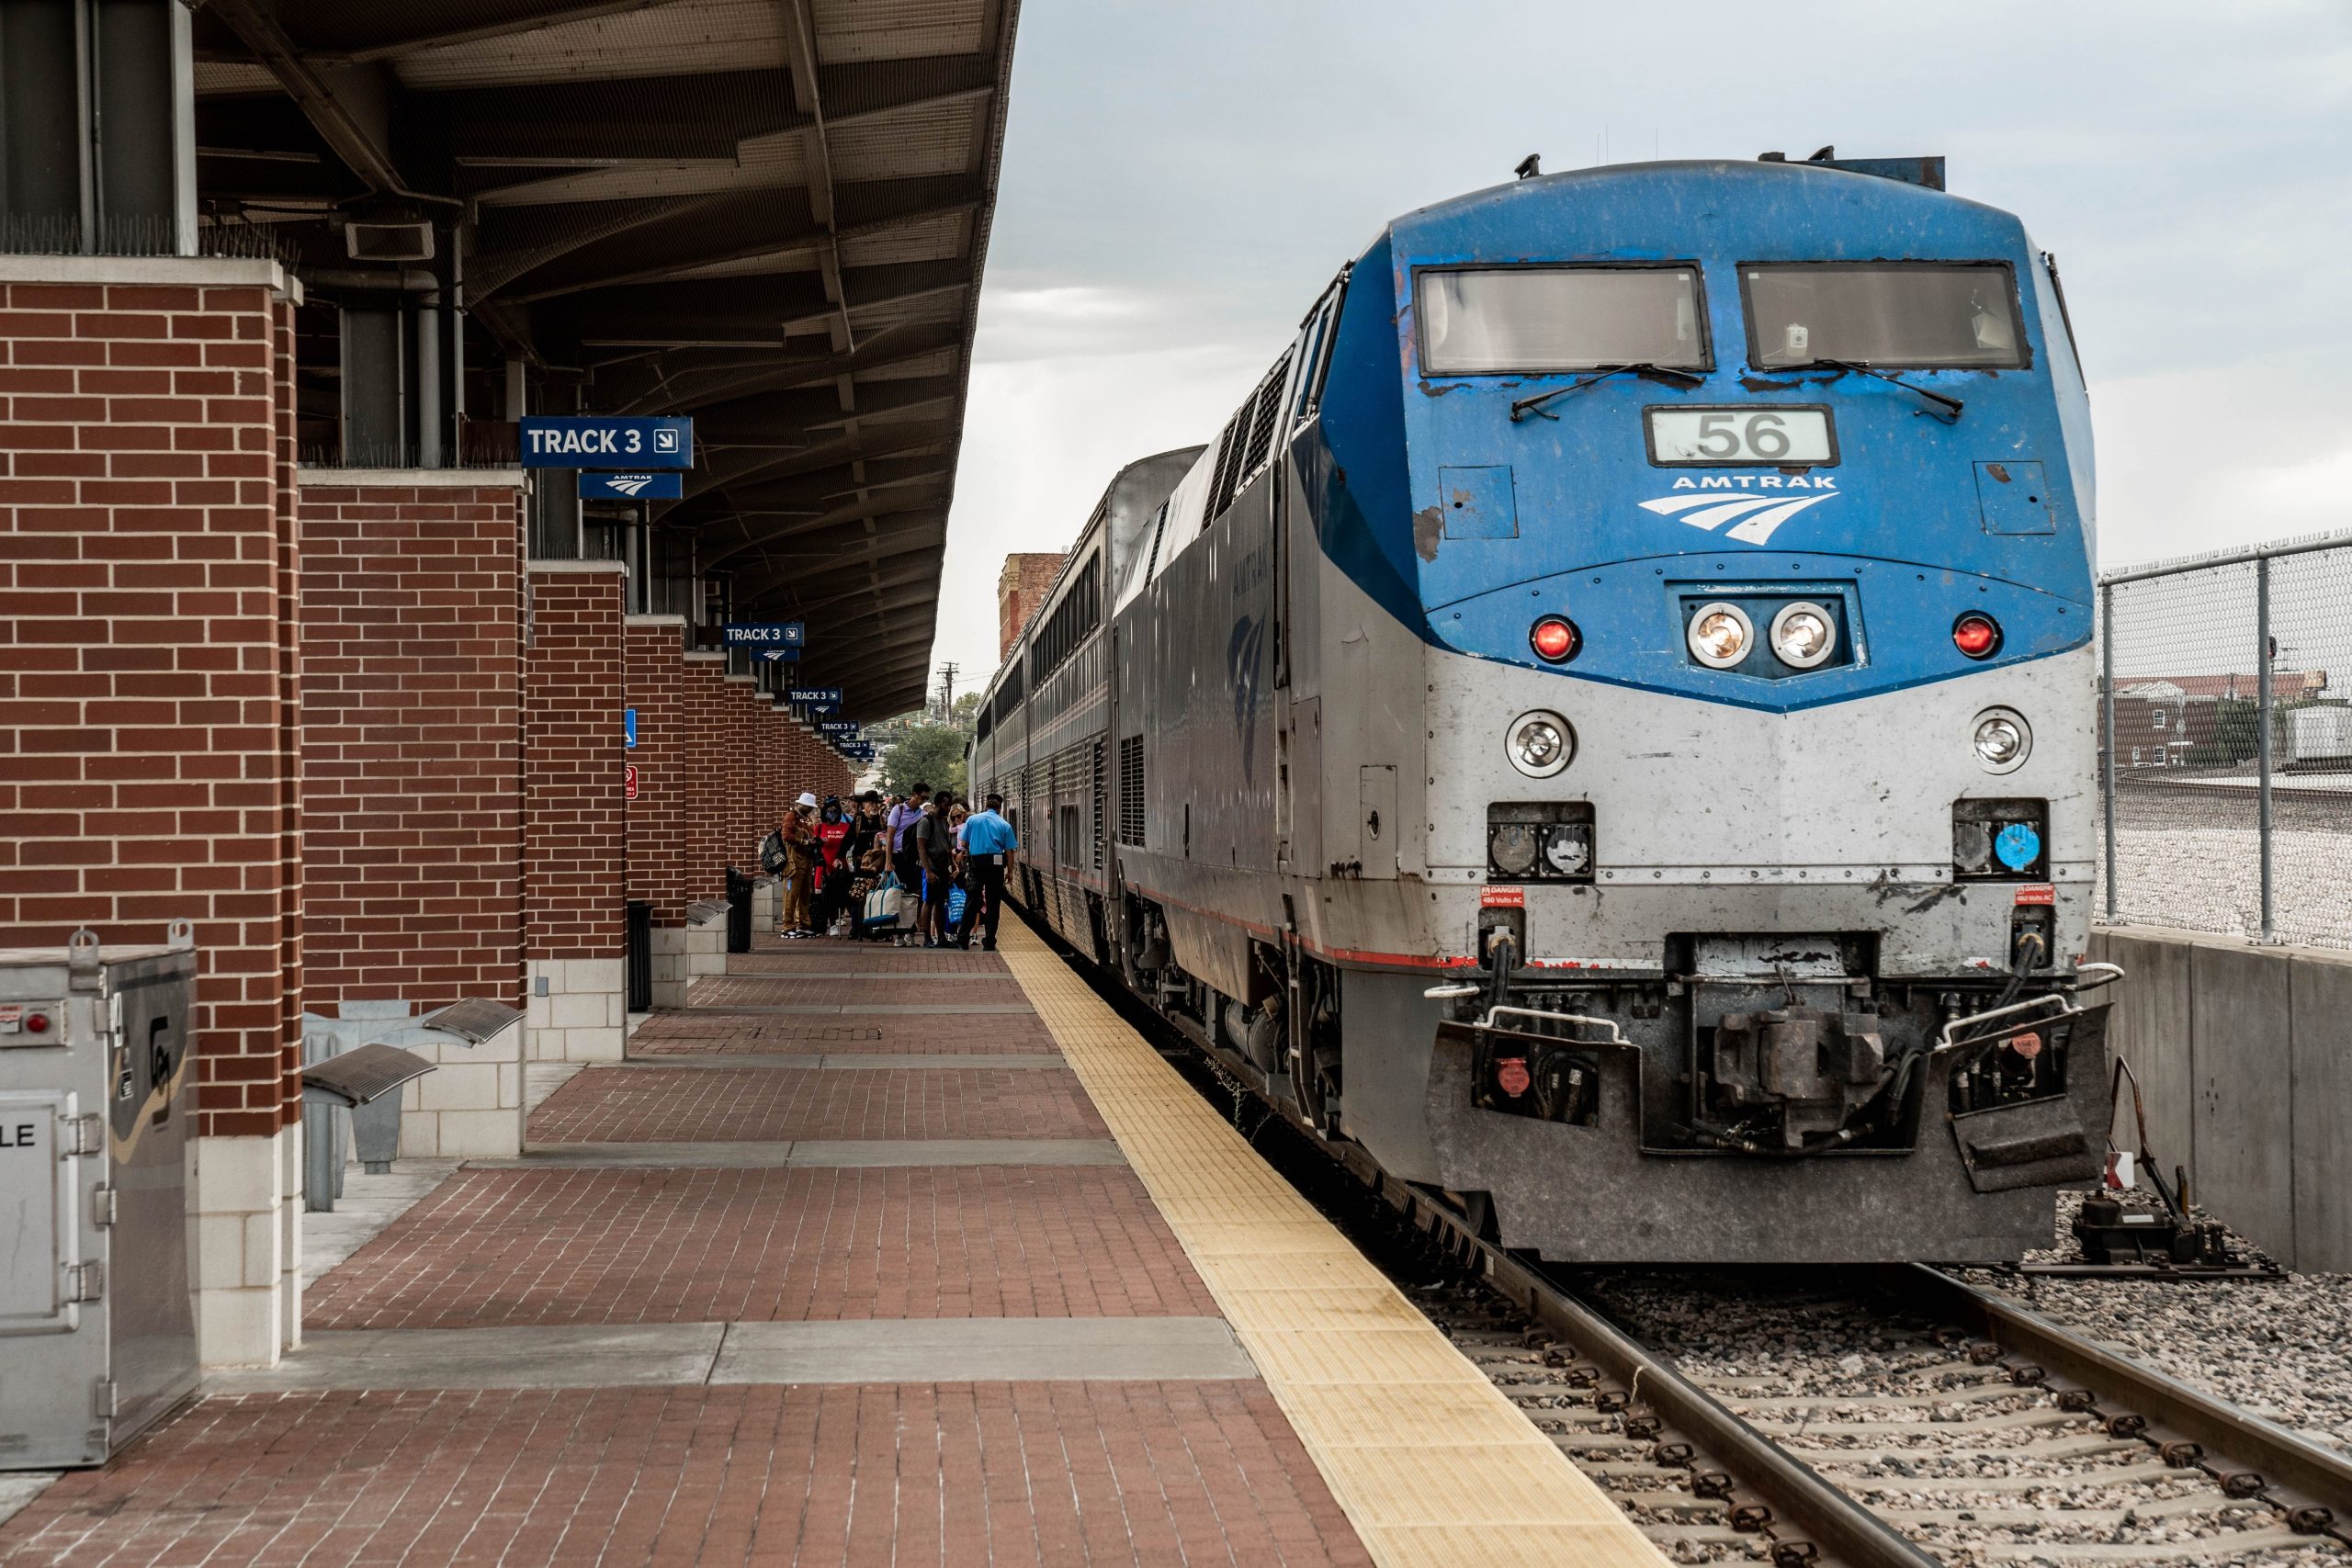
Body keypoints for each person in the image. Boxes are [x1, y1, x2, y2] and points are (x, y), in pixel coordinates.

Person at [959, 792, 1019, 952]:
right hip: (996, 865)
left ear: (986, 805)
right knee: (993, 903)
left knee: (972, 900)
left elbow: (963, 842)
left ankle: (963, 938)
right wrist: (1010, 871)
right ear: (1000, 808)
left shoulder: (972, 820)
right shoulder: (1004, 824)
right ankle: (989, 941)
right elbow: (1009, 851)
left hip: (976, 864)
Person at [914, 791, 957, 948]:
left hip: (942, 868)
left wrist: (952, 865)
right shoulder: (926, 822)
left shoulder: (944, 822)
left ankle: (941, 938)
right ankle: (927, 938)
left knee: (940, 902)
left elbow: (947, 847)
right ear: (938, 804)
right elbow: (921, 848)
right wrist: (927, 871)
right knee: (929, 901)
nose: (949, 808)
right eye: (946, 805)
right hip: (930, 868)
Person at [782, 794, 820, 935]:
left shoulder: (805, 819)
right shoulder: (791, 816)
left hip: (807, 860)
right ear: (802, 805)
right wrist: (803, 841)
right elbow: (786, 835)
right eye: (809, 806)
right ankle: (788, 926)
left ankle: (803, 924)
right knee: (791, 895)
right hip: (794, 861)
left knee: (805, 894)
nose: (810, 809)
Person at [887, 784, 929, 893]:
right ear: (914, 794)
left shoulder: (923, 815)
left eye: (927, 798)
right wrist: (888, 860)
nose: (924, 800)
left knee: (915, 891)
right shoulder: (899, 810)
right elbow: (890, 836)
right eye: (923, 797)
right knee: (896, 891)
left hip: (913, 857)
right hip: (897, 855)